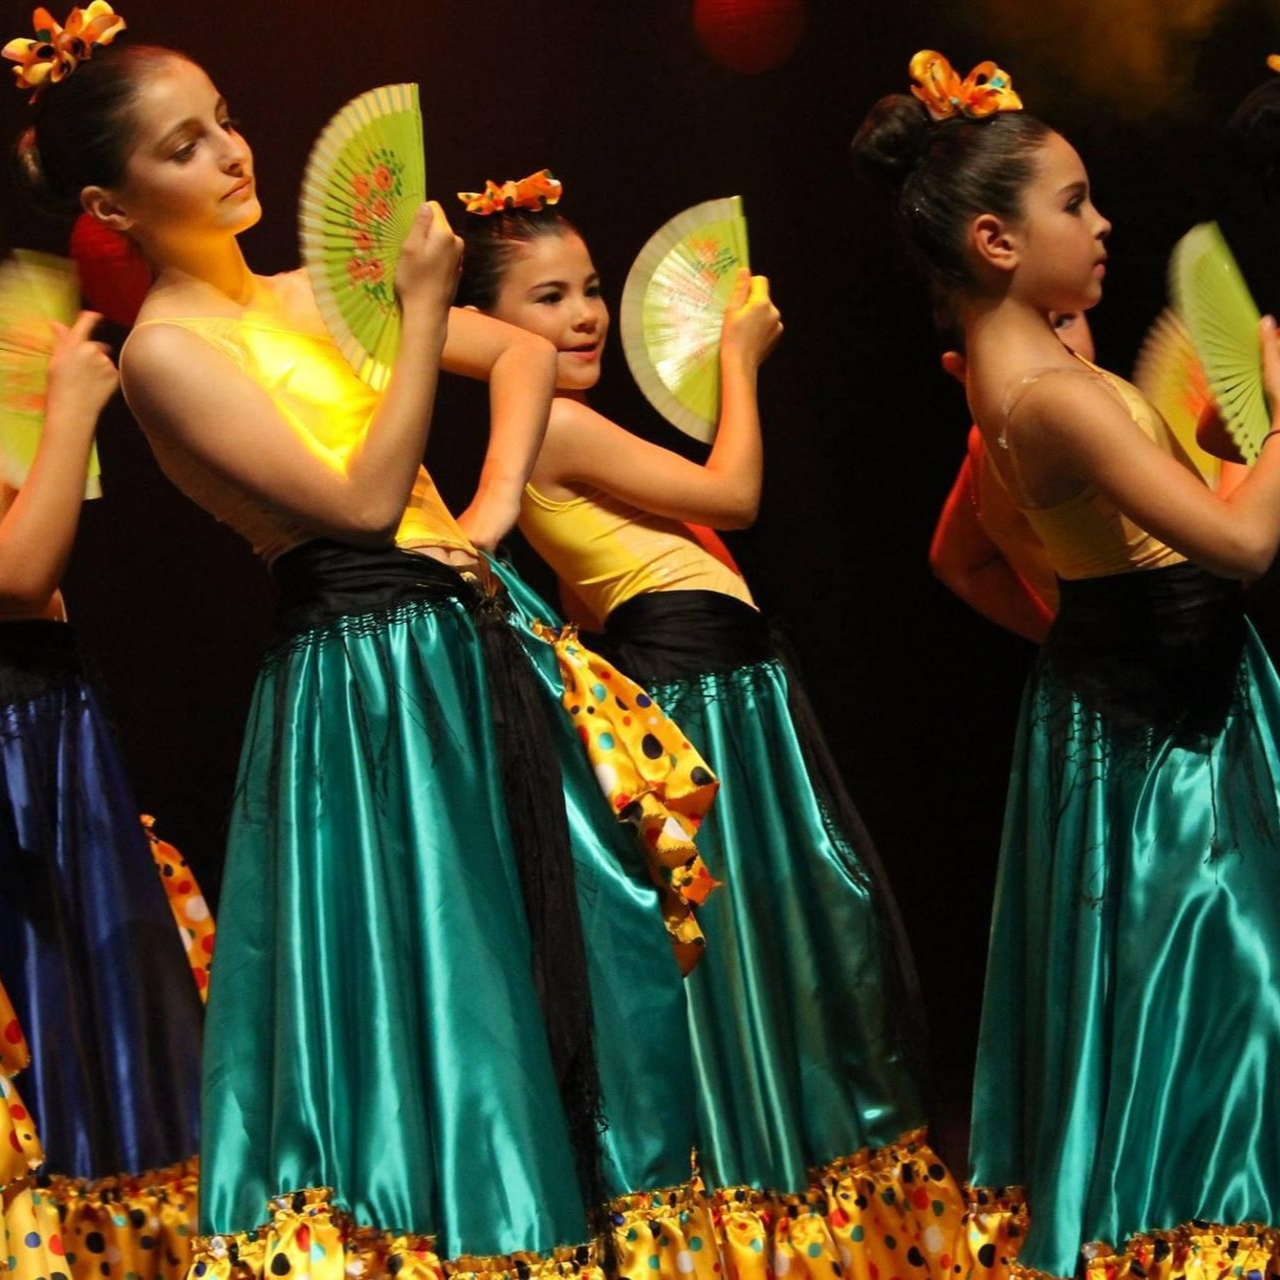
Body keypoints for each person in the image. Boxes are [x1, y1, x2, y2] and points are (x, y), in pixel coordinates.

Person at [9, 9, 708, 1274]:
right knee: (441, 975)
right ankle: (477, 1234)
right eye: (183, 146)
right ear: (112, 205)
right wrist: (423, 310)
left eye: (223, 120)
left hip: (465, 638)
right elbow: (358, 504)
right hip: (364, 674)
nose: (230, 152)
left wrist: (488, 515)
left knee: (574, 946)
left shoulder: (311, 292)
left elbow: (524, 362)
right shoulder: (167, 351)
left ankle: (583, 1225)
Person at [457, 173, 970, 1278]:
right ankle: (771, 1208)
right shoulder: (548, 422)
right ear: (482, 328)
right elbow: (734, 493)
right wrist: (738, 359)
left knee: (774, 957)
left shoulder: (554, 428)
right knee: (757, 964)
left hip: (715, 691)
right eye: (548, 298)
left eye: (591, 289)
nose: (586, 315)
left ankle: (793, 1207)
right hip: (698, 710)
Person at [853, 48, 1280, 1280]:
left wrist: (1091, 640)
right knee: (1218, 990)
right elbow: (1244, 545)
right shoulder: (1049, 396)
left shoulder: (1014, 384)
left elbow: (988, 557)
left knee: (1175, 997)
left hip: (1133, 697)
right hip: (1172, 729)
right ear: (993, 240)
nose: (1101, 226)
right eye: (1073, 203)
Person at [0, 298, 204, 1279]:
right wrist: (73, 408)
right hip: (16, 764)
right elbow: (17, 575)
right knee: (51, 1046)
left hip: (45, 739)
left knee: (96, 1043)